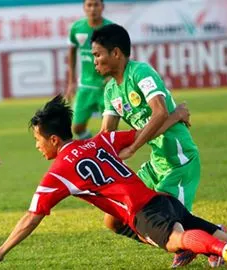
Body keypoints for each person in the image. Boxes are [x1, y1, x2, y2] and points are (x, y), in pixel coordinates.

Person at [0, 95, 227, 269]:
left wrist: (1, 252)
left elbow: (31, 217)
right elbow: (144, 132)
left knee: (181, 243)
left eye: (37, 139)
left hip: (142, 211)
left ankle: (219, 251)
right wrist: (176, 115)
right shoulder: (99, 141)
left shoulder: (57, 173)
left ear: (52, 140)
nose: (36, 146)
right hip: (160, 200)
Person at [90, 23, 212, 267]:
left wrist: (134, 147)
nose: (94, 61)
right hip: (156, 162)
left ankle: (210, 243)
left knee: (167, 218)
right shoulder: (111, 91)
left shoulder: (141, 73)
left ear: (115, 53)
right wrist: (82, 157)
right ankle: (198, 239)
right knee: (113, 220)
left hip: (177, 158)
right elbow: (106, 135)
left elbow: (159, 112)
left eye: (97, 54)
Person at [65, 0, 112, 139]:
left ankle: (109, 156)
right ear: (84, 8)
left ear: (102, 7)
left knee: (108, 130)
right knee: (77, 127)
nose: (93, 9)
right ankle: (91, 148)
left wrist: (112, 75)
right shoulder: (77, 28)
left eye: (96, 5)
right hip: (85, 86)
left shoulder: (111, 28)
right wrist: (71, 82)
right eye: (89, 5)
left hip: (106, 87)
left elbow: (120, 54)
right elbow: (72, 52)